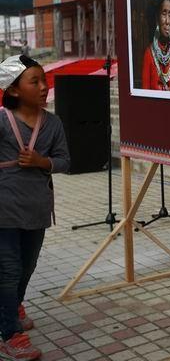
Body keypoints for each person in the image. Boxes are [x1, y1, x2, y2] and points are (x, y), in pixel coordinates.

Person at [0, 55, 70, 361]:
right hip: (3, 209)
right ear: (13, 90)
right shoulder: (2, 121)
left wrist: (42, 162)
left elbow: (66, 161)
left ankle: (11, 307)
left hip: (37, 210)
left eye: (44, 80)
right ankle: (11, 334)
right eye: (35, 81)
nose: (44, 87)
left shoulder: (53, 123)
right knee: (8, 270)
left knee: (26, 268)